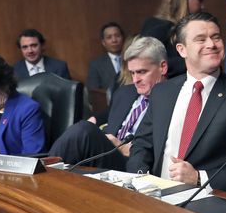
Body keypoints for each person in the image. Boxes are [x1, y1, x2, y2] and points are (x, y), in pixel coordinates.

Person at [127, 13, 226, 194]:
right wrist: (140, 180)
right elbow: (142, 144)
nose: (211, 44)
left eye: (216, 37)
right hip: (153, 196)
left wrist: (199, 178)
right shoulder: (163, 92)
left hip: (202, 200)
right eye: (200, 39)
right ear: (182, 50)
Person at [49, 37, 168, 170]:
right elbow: (108, 118)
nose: (135, 80)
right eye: (132, 73)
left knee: (83, 131)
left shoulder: (173, 101)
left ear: (162, 67)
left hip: (134, 163)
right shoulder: (124, 93)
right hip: (107, 156)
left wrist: (124, 147)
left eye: (142, 72)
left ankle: (43, 173)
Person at [140, 0, 205, 78]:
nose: (202, 6)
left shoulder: (191, 27)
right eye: (199, 1)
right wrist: (192, 62)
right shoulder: (157, 26)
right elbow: (147, 59)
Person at [86, 22, 125, 92]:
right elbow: (94, 92)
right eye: (109, 37)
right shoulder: (96, 65)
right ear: (104, 42)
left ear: (123, 38)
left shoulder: (131, 60)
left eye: (117, 36)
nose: (114, 40)